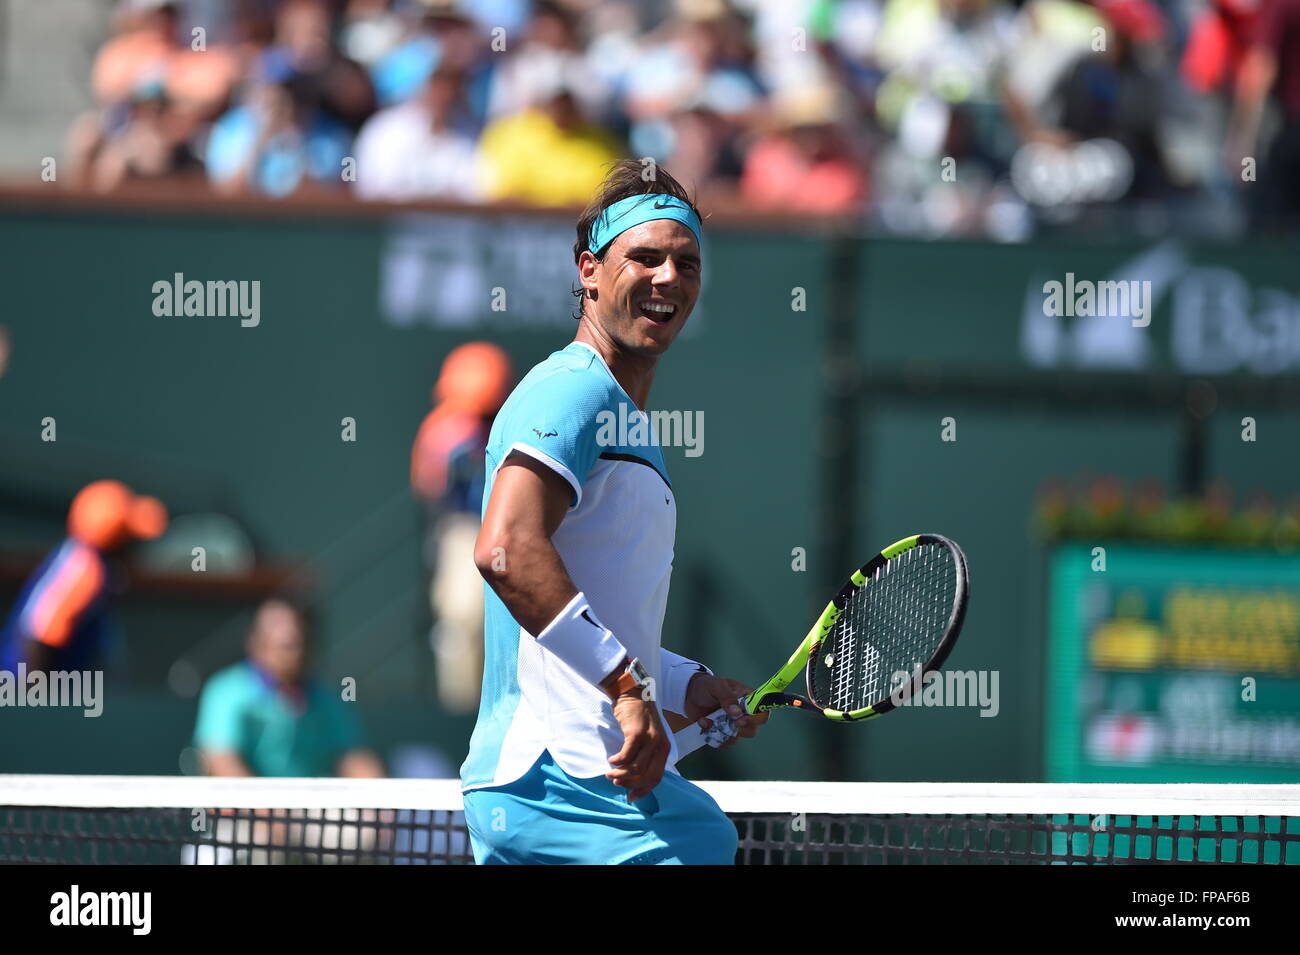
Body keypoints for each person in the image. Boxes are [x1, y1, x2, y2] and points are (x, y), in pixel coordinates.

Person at [459, 160, 767, 865]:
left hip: (565, 783)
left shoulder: (623, 419)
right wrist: (628, 689)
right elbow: (505, 549)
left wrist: (688, 684)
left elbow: (597, 620)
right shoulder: (571, 390)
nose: (669, 278)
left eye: (686, 263)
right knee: (704, 843)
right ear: (590, 269)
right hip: (560, 778)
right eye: (646, 257)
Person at [411, 341, 513, 712]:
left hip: (514, 534)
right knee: (461, 625)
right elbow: (429, 487)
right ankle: (459, 712)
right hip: (463, 533)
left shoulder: (511, 425)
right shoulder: (444, 429)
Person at [193, 598, 384, 778]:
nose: (294, 653)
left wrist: (381, 801)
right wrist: (267, 809)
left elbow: (355, 757)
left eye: (299, 644)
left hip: (309, 810)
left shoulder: (325, 697)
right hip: (249, 811)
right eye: (286, 646)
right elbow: (221, 761)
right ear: (255, 643)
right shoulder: (225, 691)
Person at [0, 480, 167, 674]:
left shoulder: (88, 563)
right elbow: (39, 634)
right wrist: (34, 699)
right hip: (26, 688)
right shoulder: (85, 569)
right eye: (130, 538)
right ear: (116, 540)